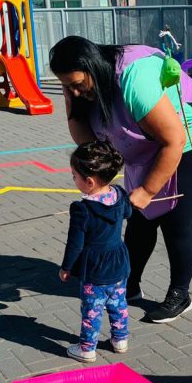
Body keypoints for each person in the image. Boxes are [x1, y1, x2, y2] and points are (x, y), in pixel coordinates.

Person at [49, 37, 192, 324]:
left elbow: (174, 140)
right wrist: (71, 99)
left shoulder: (133, 77)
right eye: (66, 86)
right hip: (151, 149)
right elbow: (87, 142)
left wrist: (147, 190)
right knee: (139, 220)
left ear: (93, 68)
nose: (74, 91)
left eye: (77, 84)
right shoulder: (84, 91)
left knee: (177, 220)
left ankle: (180, 295)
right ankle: (128, 285)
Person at [59, 140, 131, 362]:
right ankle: (120, 340)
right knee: (118, 303)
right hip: (118, 260)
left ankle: (87, 349)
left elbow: (75, 244)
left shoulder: (82, 209)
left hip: (95, 267)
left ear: (89, 181)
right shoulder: (119, 194)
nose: (73, 180)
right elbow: (128, 213)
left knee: (92, 309)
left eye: (74, 176)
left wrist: (66, 267)